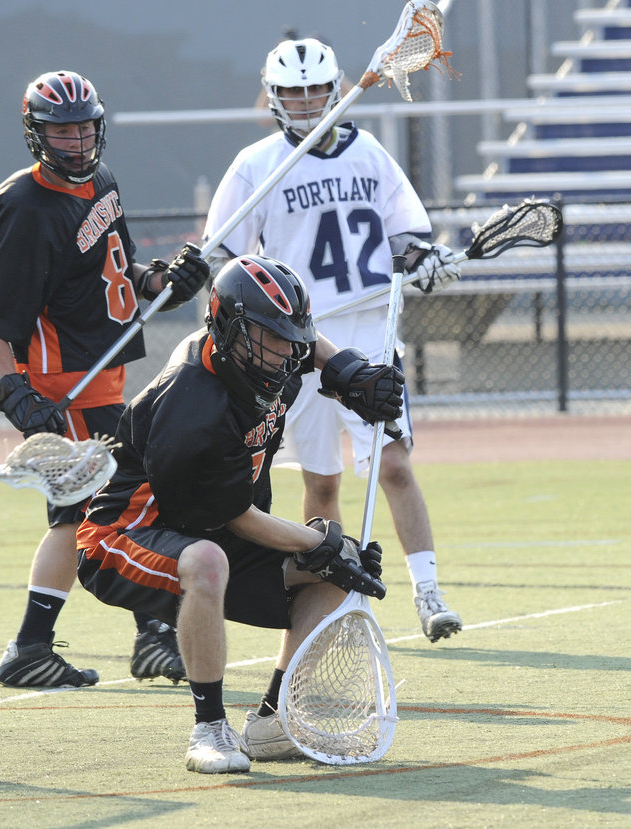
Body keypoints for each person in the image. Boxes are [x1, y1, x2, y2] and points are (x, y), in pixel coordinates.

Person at [76, 254, 404, 773]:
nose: (284, 352)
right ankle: (208, 730)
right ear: (226, 324)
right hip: (126, 536)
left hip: (210, 524)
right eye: (268, 337)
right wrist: (311, 541)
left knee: (341, 566)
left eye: (289, 338)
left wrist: (351, 373)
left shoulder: (271, 358)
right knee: (214, 560)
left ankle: (274, 722)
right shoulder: (192, 402)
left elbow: (305, 344)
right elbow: (235, 517)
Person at [202, 39, 464, 643]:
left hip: (371, 338)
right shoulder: (257, 164)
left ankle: (428, 592)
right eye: (293, 92)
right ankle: (335, 598)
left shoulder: (368, 152)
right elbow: (226, 256)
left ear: (335, 87)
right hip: (301, 347)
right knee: (321, 481)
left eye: (316, 89)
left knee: (392, 465)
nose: (307, 101)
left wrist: (424, 259)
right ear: (274, 97)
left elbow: (406, 232)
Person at [0, 69, 208, 688]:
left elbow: (119, 272)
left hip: (106, 378)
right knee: (98, 511)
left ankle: (45, 646)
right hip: (62, 386)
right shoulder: (22, 205)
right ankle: (125, 637)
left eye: (83, 128)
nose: (75, 142)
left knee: (100, 510)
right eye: (61, 131)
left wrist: (166, 282)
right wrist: (16, 393)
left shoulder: (102, 183)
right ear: (37, 134)